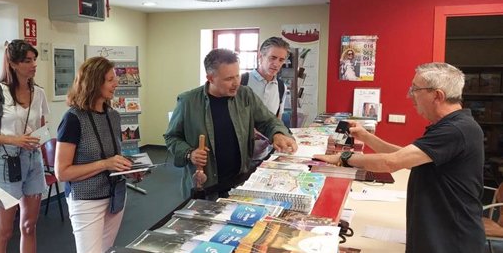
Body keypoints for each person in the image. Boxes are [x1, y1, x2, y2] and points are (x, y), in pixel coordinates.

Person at [314, 62, 485, 253]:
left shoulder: (455, 130)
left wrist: (343, 157)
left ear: (437, 95)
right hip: (439, 229)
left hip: (451, 238)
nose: (410, 95)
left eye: (415, 89)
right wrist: (366, 136)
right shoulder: (454, 125)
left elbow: (392, 162)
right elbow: (403, 156)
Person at [164, 48, 298, 199]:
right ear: (210, 78)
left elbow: (268, 120)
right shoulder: (188, 101)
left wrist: (278, 133)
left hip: (239, 183)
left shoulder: (245, 94)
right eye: (228, 79)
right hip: (206, 187)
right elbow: (172, 137)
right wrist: (189, 153)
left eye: (237, 76)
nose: (236, 83)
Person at [0, 39, 50, 253]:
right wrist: (14, 140)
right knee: (4, 231)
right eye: (27, 60)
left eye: (34, 60)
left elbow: (43, 128)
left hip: (33, 161)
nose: (33, 64)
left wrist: (38, 138)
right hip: (6, 164)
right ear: (13, 64)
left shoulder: (39, 93)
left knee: (29, 226)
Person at [55, 56, 134, 253]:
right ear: (93, 82)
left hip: (115, 196)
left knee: (106, 250)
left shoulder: (113, 116)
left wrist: (129, 169)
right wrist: (105, 164)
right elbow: (62, 173)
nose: (116, 83)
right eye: (110, 79)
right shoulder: (73, 119)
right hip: (86, 200)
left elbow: (114, 157)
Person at [241, 36, 290, 160]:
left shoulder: (281, 87)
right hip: (239, 156)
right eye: (272, 58)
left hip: (264, 154)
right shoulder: (241, 81)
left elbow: (277, 119)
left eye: (281, 60)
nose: (276, 64)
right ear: (260, 56)